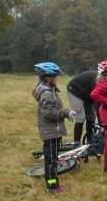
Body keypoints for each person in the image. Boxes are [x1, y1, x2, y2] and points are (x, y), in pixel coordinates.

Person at [32, 62, 75, 193]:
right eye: (55, 76)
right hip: (51, 132)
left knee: (53, 159)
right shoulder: (47, 93)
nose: (57, 78)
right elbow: (50, 113)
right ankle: (52, 186)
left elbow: (55, 108)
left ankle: (53, 183)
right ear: (48, 77)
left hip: (54, 131)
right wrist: (65, 113)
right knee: (51, 161)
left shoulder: (50, 90)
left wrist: (66, 111)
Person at [66, 69, 97, 145]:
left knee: (91, 116)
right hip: (75, 90)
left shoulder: (106, 80)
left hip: (87, 93)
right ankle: (76, 143)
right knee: (81, 117)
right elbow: (98, 102)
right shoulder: (98, 81)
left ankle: (90, 141)